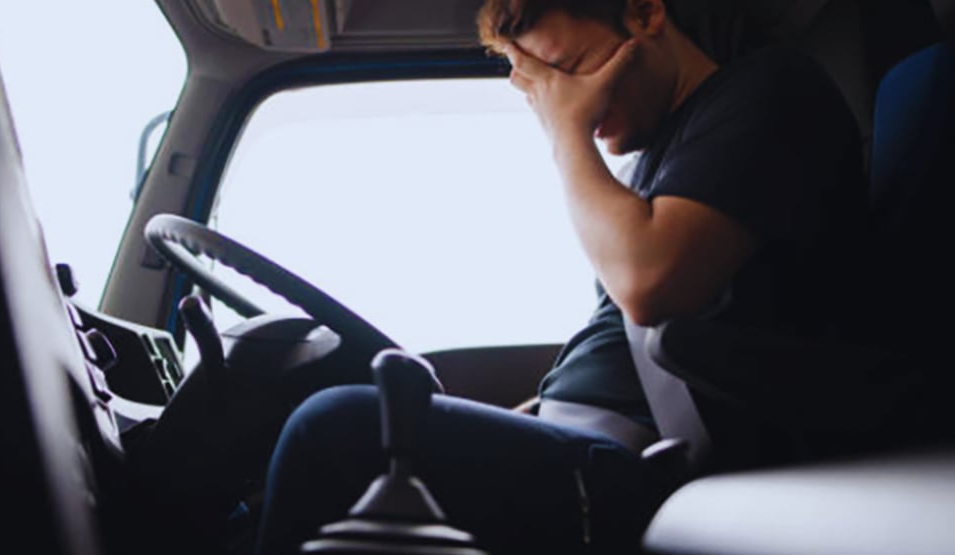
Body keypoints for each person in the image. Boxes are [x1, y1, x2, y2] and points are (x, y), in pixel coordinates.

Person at [254, 0, 871, 552]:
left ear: (645, 13)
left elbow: (648, 284)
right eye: (543, 91)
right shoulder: (656, 168)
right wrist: (510, 419)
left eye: (570, 70)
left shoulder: (770, 91)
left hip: (655, 466)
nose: (568, 101)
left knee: (332, 428)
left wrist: (565, 132)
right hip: (587, 442)